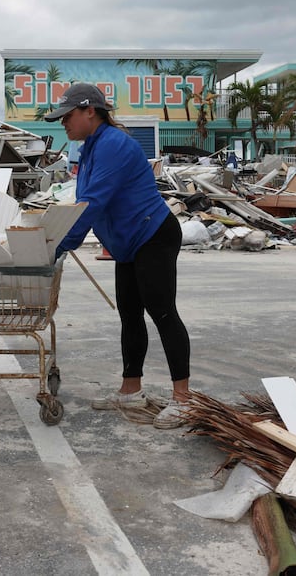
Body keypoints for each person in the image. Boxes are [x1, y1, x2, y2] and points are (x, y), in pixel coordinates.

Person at [47, 83, 193, 430]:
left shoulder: (113, 144)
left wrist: (59, 246)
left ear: (89, 112)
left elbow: (94, 203)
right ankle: (131, 390)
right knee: (129, 314)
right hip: (128, 242)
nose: (62, 124)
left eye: (67, 116)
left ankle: (184, 400)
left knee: (162, 311)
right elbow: (83, 201)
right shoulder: (90, 147)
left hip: (152, 235)